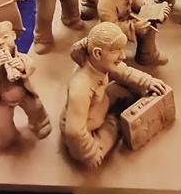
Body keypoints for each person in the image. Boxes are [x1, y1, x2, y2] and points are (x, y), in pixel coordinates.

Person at [61, 22, 168, 168]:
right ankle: (110, 127)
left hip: (100, 103)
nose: (123, 56)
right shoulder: (81, 86)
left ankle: (115, 116)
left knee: (130, 90)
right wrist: (90, 153)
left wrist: (148, 81)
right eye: (117, 51)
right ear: (98, 53)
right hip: (87, 125)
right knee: (114, 128)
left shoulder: (99, 63)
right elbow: (74, 132)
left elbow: (124, 71)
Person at [0, 21, 51, 157]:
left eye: (5, 37)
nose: (0, 42)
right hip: (3, 99)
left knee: (36, 107)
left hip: (24, 93)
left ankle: (40, 124)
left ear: (13, 35)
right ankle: (5, 139)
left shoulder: (21, 57)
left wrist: (22, 65)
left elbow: (31, 65)